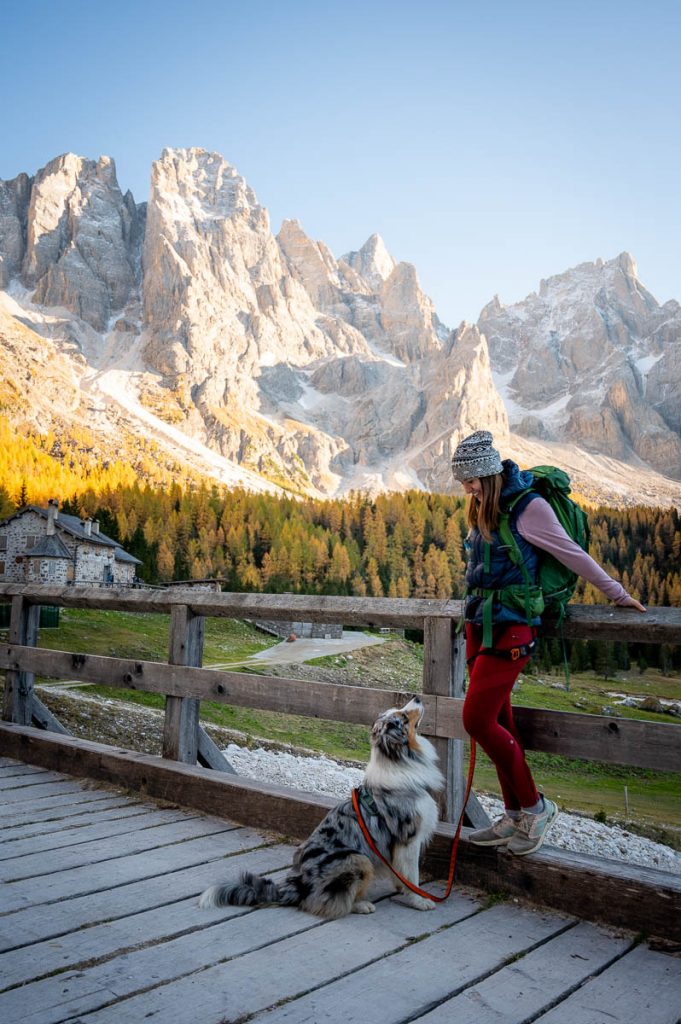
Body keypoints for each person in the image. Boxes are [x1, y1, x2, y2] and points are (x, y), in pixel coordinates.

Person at [451, 431, 646, 856]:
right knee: (499, 719)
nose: (465, 489)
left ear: (486, 473)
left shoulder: (529, 507)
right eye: (463, 482)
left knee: (476, 720)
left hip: (513, 628)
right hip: (480, 624)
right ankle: (513, 815)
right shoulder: (484, 504)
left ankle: (536, 807)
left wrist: (616, 593)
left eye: (469, 480)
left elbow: (572, 553)